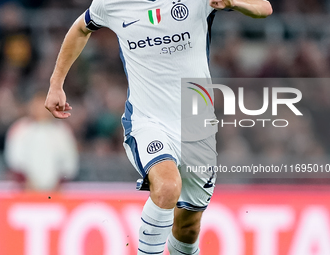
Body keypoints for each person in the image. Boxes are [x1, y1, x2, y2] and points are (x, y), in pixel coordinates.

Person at [45, 0, 272, 254]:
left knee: (188, 228)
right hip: (147, 121)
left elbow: (264, 7)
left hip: (196, 126)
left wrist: (233, 3)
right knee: (167, 186)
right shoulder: (111, 3)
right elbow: (81, 28)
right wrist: (56, 83)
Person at [5, 92, 79, 191]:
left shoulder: (62, 131)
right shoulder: (20, 128)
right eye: (38, 105)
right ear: (31, 106)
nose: (42, 109)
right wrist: (25, 180)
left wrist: (60, 181)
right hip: (26, 189)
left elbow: (69, 162)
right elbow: (14, 158)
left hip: (56, 190)